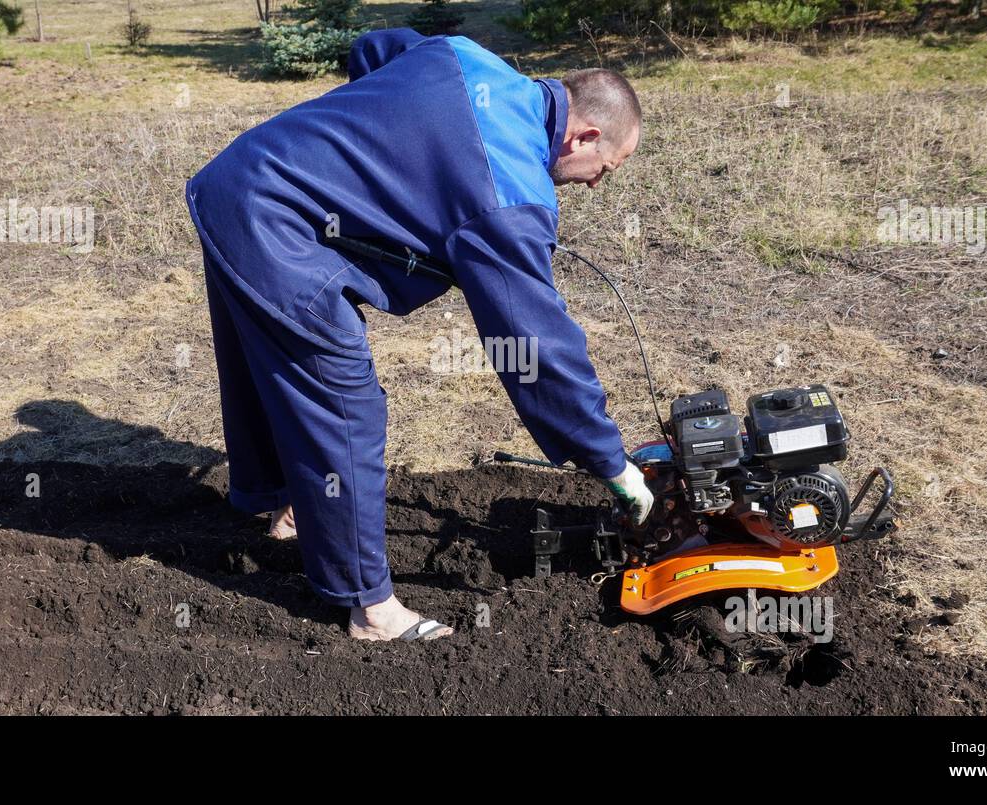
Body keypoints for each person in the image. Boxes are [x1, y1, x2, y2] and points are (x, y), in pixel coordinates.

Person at [186, 28, 653, 642]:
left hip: (237, 185)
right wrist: (612, 465)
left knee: (270, 361)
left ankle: (287, 504)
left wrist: (367, 153)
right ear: (584, 135)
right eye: (605, 170)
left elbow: (376, 49)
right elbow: (536, 348)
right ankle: (370, 609)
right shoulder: (510, 193)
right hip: (276, 225)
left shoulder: (470, 58)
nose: (595, 183)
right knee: (343, 400)